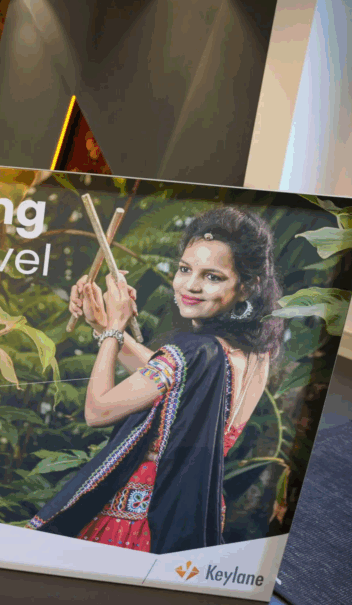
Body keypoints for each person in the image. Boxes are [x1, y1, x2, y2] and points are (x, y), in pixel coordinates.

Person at [26, 207, 283, 554]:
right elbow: (175, 381)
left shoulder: (194, 351)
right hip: (195, 508)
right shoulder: (255, 354)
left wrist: (116, 328)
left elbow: (97, 410)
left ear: (246, 287)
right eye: (184, 269)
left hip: (139, 515)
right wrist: (102, 325)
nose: (190, 286)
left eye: (213, 277)